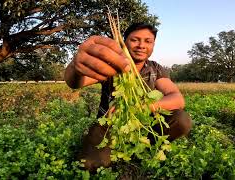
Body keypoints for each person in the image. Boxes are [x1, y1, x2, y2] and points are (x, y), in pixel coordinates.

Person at [64, 22, 193, 172]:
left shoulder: (155, 69)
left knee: (182, 120)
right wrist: (76, 67)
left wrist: (141, 108)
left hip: (144, 124)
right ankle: (115, 147)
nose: (141, 45)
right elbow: (75, 82)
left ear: (153, 45)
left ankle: (145, 145)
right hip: (110, 125)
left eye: (148, 41)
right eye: (135, 40)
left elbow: (177, 98)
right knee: (90, 165)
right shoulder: (110, 65)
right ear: (124, 42)